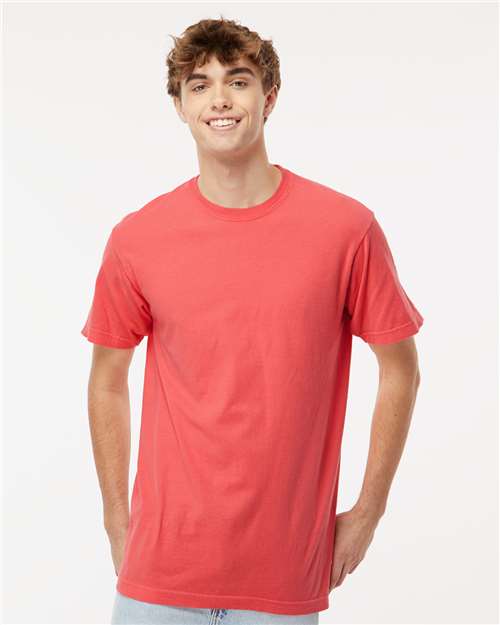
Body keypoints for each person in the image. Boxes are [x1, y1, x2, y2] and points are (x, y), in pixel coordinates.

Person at [81, 16, 424, 625]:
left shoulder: (345, 229)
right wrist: (116, 520)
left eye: (237, 81)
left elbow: (400, 369)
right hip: (157, 578)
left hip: (282, 579)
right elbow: (107, 379)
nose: (219, 99)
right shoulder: (138, 239)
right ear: (180, 107)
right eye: (199, 85)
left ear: (269, 97)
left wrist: (367, 514)